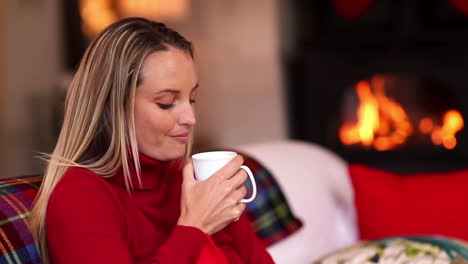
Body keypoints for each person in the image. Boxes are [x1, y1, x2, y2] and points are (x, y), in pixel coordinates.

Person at [29, 17, 274, 264]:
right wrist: (195, 227)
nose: (191, 118)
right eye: (166, 103)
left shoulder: (189, 178)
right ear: (113, 107)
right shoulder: (79, 197)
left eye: (192, 99)